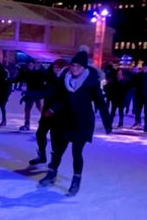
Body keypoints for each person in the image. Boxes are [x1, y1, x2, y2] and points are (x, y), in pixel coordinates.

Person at [37, 48, 112, 195]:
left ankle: (76, 180)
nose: (74, 68)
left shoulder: (91, 82)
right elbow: (60, 98)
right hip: (65, 121)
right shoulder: (65, 80)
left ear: (84, 68)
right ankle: (52, 173)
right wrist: (52, 108)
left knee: (76, 152)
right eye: (73, 65)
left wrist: (107, 124)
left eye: (78, 66)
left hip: (82, 123)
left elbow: (101, 104)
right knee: (57, 150)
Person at [28, 58, 67, 166]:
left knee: (55, 139)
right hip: (47, 112)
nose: (56, 69)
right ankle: (42, 155)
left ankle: (54, 164)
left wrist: (54, 108)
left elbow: (65, 99)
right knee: (40, 134)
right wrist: (30, 95)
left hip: (59, 114)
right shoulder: (51, 79)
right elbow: (45, 92)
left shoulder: (66, 80)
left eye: (59, 68)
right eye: (55, 67)